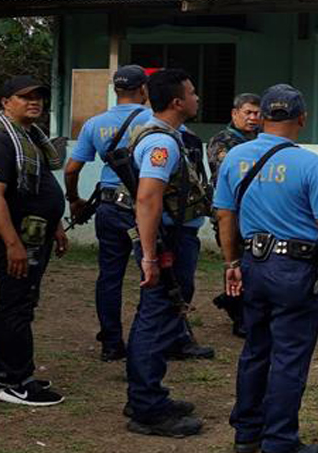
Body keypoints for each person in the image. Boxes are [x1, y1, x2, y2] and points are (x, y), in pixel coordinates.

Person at [214, 83, 318, 453]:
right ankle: (279, 441)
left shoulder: (234, 157)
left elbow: (225, 215)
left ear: (261, 116)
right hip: (293, 270)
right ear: (302, 118)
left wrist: (232, 262)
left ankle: (247, 435)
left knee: (255, 351)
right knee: (289, 358)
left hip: (252, 263)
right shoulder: (310, 164)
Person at [123, 68, 213, 438]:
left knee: (159, 313)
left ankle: (147, 395)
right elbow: (147, 197)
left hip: (171, 239)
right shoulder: (162, 143)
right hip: (166, 242)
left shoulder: (167, 135)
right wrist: (149, 255)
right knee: (157, 317)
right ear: (177, 102)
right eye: (192, 93)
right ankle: (147, 408)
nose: (196, 98)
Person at [0, 75, 69, 406]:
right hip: (14, 240)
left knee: (15, 302)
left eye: (39, 96)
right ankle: (17, 382)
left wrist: (55, 225)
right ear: (5, 102)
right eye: (25, 96)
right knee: (18, 304)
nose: (34, 101)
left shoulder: (30, 140)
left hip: (33, 234)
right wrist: (12, 244)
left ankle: (1, 375)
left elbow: (38, 189)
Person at [64, 65, 151, 362]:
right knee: (151, 271)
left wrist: (74, 199)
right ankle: (149, 339)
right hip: (142, 209)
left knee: (110, 276)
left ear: (116, 90)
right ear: (143, 89)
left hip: (108, 206)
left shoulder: (95, 124)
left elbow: (71, 169)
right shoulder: (155, 120)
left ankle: (111, 342)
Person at [207, 92, 261, 338]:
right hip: (231, 214)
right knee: (236, 263)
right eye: (248, 112)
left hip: (256, 214)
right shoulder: (223, 141)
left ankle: (244, 309)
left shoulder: (259, 140)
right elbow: (229, 178)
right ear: (234, 113)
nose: (253, 118)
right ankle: (239, 316)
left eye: (257, 113)